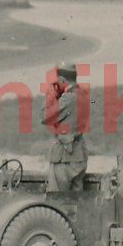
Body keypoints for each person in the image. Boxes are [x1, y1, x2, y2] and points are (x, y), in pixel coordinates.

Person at [44, 62, 87, 191]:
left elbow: (45, 117)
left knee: (57, 199)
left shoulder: (68, 98)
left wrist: (50, 97)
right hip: (78, 154)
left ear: (62, 80)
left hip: (64, 157)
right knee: (75, 199)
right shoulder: (82, 94)